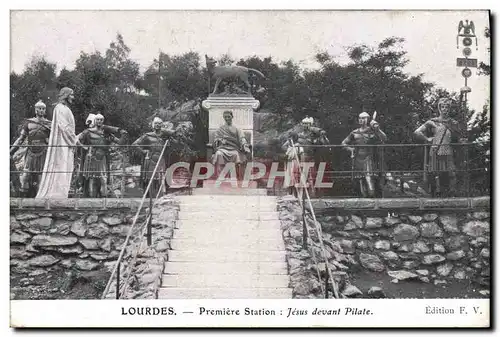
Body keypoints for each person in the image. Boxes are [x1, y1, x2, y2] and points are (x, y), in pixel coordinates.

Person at [36, 87, 82, 199]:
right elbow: (64, 127)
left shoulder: (65, 108)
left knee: (65, 166)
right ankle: (56, 193)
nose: (73, 97)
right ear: (66, 95)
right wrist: (74, 140)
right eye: (71, 95)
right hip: (62, 141)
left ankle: (61, 193)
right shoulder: (60, 108)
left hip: (66, 142)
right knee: (61, 165)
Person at [414, 98, 464, 197]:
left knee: (451, 173)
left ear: (449, 109)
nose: (445, 109)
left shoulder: (453, 123)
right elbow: (417, 132)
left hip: (447, 150)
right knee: (435, 173)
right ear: (439, 108)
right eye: (443, 107)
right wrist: (427, 139)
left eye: (447, 107)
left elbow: (458, 137)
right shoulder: (433, 122)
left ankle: (451, 193)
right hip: (435, 149)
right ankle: (435, 193)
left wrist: (461, 140)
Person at [77, 113, 128, 198]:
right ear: (95, 120)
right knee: (89, 177)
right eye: (98, 119)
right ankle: (87, 196)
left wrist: (123, 134)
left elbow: (119, 142)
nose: (99, 121)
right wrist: (84, 147)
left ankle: (102, 196)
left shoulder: (107, 134)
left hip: (102, 157)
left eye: (101, 120)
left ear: (103, 121)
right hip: (90, 156)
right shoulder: (87, 132)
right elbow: (77, 140)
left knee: (102, 178)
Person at [10, 100, 51, 197]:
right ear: (35, 109)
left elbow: (53, 139)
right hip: (31, 152)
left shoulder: (49, 124)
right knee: (25, 176)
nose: (41, 110)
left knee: (41, 177)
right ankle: (23, 200)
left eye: (43, 109)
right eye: (39, 108)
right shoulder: (28, 123)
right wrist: (11, 151)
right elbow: (20, 139)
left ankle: (39, 201)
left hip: (43, 152)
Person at [342, 112, 387, 198]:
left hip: (368, 159)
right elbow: (343, 143)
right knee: (359, 183)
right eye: (360, 118)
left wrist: (377, 129)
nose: (361, 120)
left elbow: (384, 138)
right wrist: (351, 149)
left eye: (363, 118)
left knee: (370, 183)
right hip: (357, 159)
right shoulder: (354, 132)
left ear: (367, 119)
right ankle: (365, 206)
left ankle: (373, 201)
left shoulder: (373, 131)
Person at [132, 117, 175, 198]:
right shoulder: (147, 136)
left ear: (162, 125)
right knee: (149, 178)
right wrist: (143, 151)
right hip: (150, 160)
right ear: (152, 125)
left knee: (160, 177)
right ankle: (149, 197)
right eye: (155, 123)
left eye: (159, 123)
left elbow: (174, 135)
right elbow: (135, 144)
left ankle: (160, 196)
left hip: (161, 159)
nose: (157, 125)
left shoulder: (165, 136)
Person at [212, 110, 251, 180]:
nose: (227, 118)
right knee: (218, 154)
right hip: (223, 148)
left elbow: (242, 138)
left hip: (234, 148)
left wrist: (244, 145)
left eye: (228, 117)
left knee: (236, 155)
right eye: (225, 117)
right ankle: (221, 177)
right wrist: (220, 140)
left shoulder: (237, 129)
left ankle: (234, 177)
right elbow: (216, 139)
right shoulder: (220, 129)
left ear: (232, 117)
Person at [296, 117, 329, 197]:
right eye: (304, 124)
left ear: (310, 124)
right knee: (301, 176)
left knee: (312, 176)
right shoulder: (299, 135)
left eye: (307, 124)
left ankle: (314, 194)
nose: (305, 125)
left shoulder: (314, 135)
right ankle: (301, 194)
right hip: (301, 158)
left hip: (312, 158)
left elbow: (325, 142)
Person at [282, 132, 304, 196]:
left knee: (294, 177)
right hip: (289, 162)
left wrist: (301, 164)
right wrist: (288, 142)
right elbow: (283, 147)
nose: (289, 138)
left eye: (290, 137)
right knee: (289, 177)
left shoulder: (298, 145)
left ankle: (295, 193)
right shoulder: (289, 146)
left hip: (295, 162)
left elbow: (302, 155)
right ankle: (290, 193)